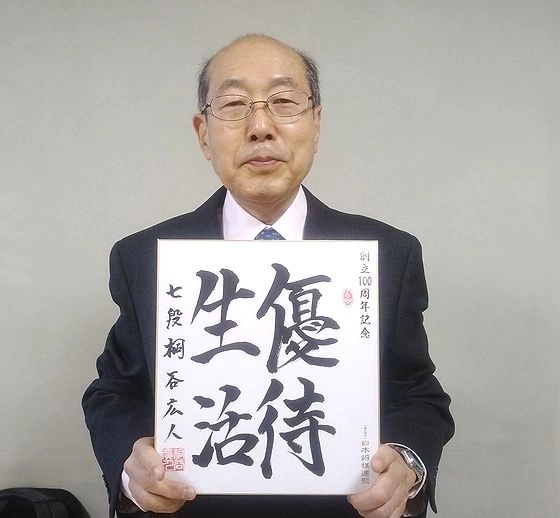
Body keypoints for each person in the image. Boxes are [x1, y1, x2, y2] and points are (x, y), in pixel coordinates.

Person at [82, 34, 454, 518]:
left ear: (316, 124)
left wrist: (407, 463)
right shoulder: (142, 257)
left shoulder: (389, 255)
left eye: (283, 101)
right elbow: (114, 393)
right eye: (234, 105)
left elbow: (417, 393)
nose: (261, 127)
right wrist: (131, 466)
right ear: (203, 134)